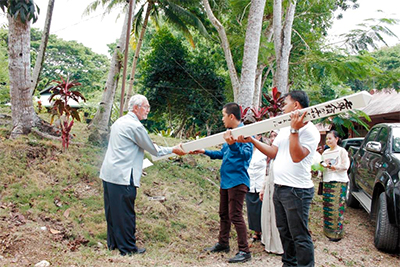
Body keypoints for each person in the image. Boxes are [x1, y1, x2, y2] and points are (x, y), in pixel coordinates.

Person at [237, 90, 320, 267]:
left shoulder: (310, 131)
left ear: (296, 105)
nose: (282, 108)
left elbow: (296, 156)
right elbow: (273, 152)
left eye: (285, 104)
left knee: (299, 235)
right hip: (280, 187)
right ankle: (288, 264)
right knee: (284, 232)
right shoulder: (284, 128)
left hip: (297, 191)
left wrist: (294, 131)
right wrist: (252, 141)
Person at [99, 94, 185, 256]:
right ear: (136, 108)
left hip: (109, 173)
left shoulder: (120, 121)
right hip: (123, 175)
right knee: (125, 213)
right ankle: (128, 248)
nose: (148, 110)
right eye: (146, 107)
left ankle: (114, 244)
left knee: (112, 212)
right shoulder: (135, 126)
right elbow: (153, 149)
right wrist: (173, 149)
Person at [190, 102, 253, 263]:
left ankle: (244, 251)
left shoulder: (245, 133)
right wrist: (204, 151)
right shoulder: (229, 133)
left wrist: (233, 145)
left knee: (236, 216)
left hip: (238, 182)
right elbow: (222, 154)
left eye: (223, 115)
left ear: (232, 116)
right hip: (226, 182)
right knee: (224, 214)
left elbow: (246, 155)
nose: (222, 119)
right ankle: (223, 243)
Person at [320, 130, 350, 241]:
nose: (328, 140)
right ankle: (328, 231)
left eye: (330, 138)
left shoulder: (342, 151)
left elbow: (345, 166)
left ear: (336, 139)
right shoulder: (325, 153)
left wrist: (333, 167)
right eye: (327, 139)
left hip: (339, 181)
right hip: (327, 181)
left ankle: (337, 234)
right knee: (328, 207)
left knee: (337, 207)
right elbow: (322, 167)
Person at [259, 130, 283, 255]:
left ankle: (278, 246)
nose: (273, 139)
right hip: (269, 186)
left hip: (279, 188)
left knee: (276, 217)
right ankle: (267, 241)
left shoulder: (284, 154)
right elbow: (267, 173)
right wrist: (263, 188)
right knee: (267, 214)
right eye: (272, 136)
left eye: (276, 136)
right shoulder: (271, 156)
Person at [246, 134, 267, 242]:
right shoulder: (247, 151)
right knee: (252, 210)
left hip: (261, 184)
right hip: (250, 184)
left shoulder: (264, 150)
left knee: (262, 210)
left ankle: (265, 232)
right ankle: (256, 232)